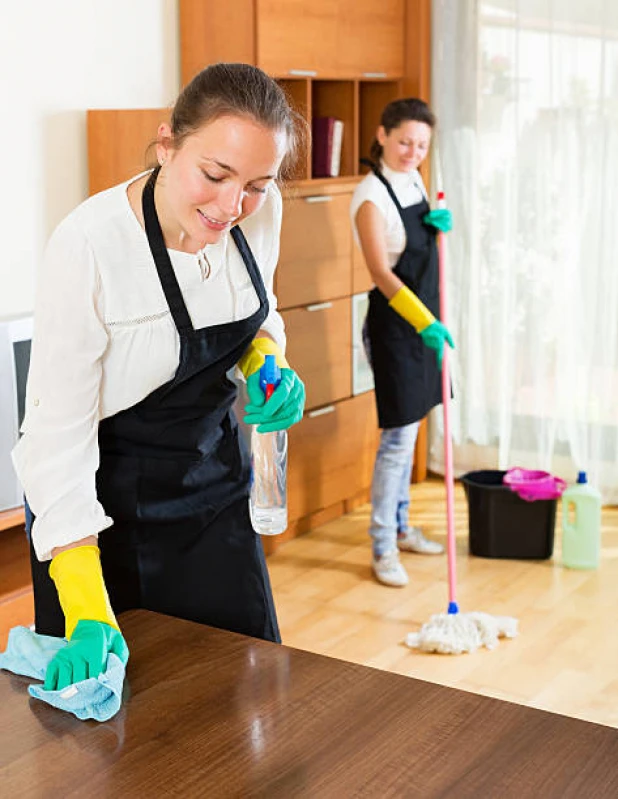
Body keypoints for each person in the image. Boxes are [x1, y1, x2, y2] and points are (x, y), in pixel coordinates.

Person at [12, 63, 306, 691]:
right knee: (121, 746)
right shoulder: (90, 247)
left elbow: (255, 312)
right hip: (101, 513)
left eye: (257, 182)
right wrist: (87, 607)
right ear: (168, 143)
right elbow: (54, 439)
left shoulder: (262, 210)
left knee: (247, 694)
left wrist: (267, 361)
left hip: (214, 491)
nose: (233, 207)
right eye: (215, 174)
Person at [350, 98, 454, 588]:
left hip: (424, 321)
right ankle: (382, 546)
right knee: (397, 438)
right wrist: (422, 320)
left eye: (422, 144)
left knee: (412, 431)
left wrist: (437, 224)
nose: (413, 151)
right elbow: (380, 272)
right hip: (396, 326)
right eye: (405, 141)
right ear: (383, 135)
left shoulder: (413, 180)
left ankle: (402, 525)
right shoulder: (370, 197)